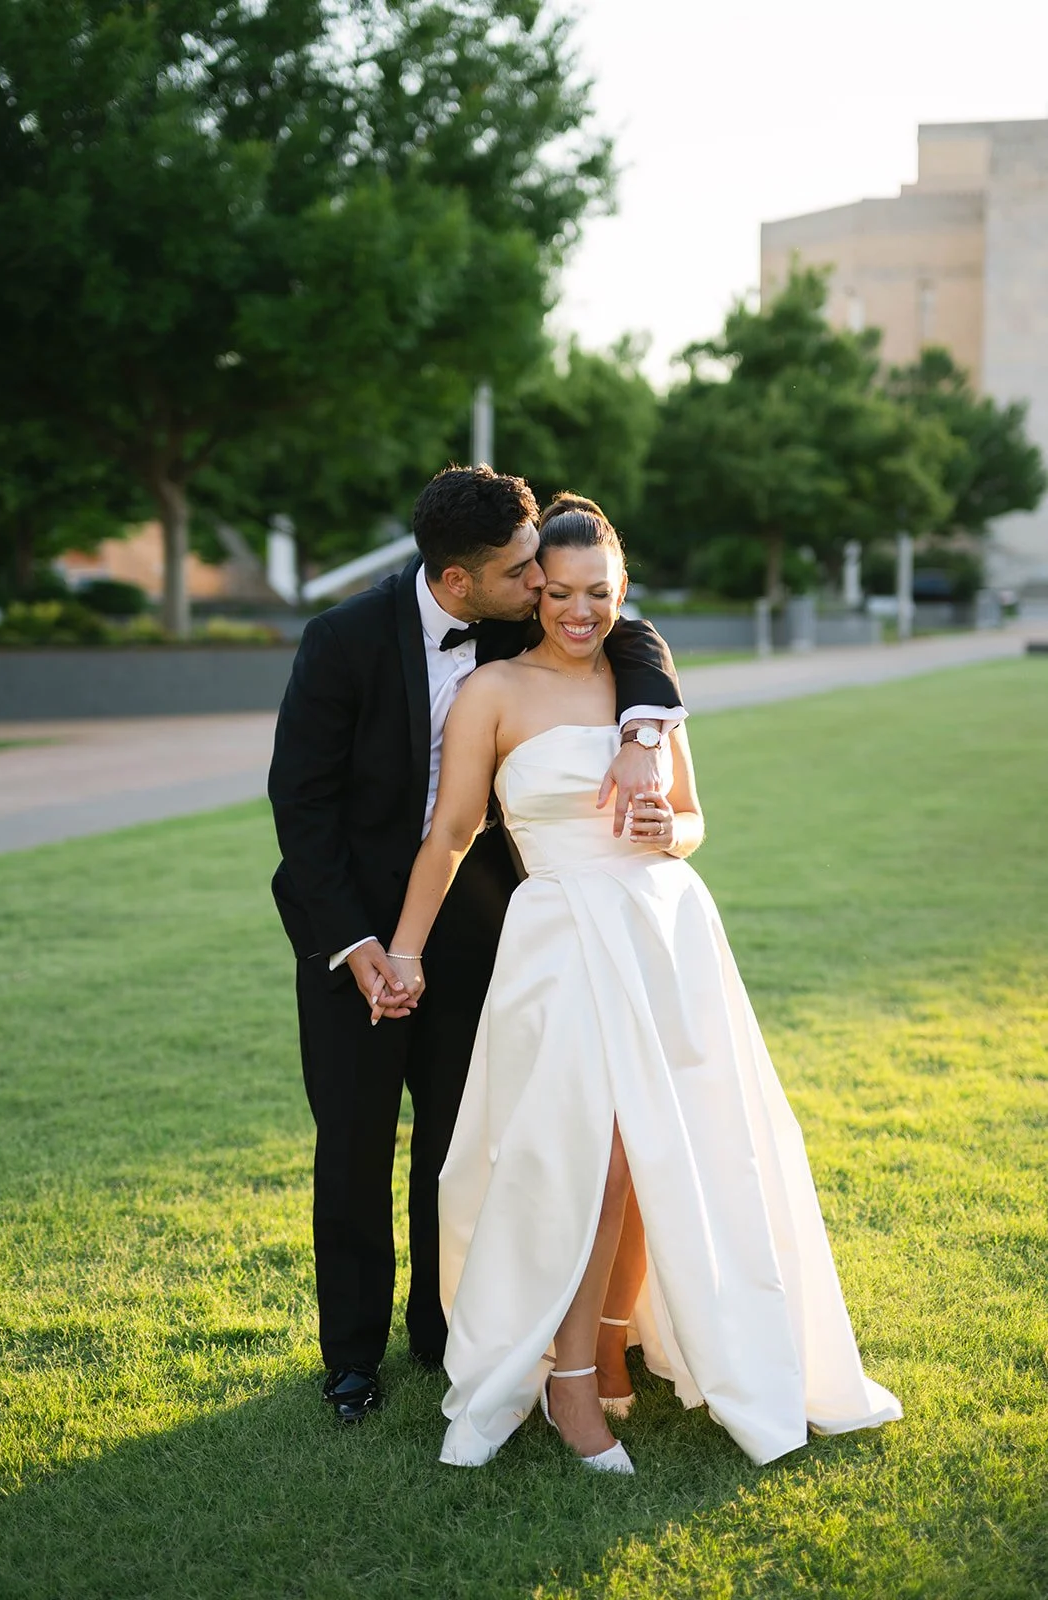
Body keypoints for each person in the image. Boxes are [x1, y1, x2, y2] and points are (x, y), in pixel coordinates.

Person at [377, 493, 902, 1472]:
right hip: (562, 936)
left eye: (601, 593)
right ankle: (569, 1381)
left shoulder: (641, 685)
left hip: (662, 930)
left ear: (623, 592)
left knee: (657, 1143)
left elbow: (693, 815)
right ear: (533, 589)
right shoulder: (494, 692)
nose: (580, 611)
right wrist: (404, 949)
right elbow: (450, 834)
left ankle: (608, 1339)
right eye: (562, 591)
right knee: (590, 1150)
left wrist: (674, 832)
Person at [267, 467, 684, 1424]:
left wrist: (641, 724)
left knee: (464, 1141)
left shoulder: (523, 611)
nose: (540, 585)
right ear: (459, 582)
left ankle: (443, 1327)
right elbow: (303, 805)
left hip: (485, 926)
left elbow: (630, 629)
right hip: (358, 929)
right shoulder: (339, 642)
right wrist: (357, 944)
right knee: (356, 1141)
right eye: (521, 573)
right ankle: (351, 1359)